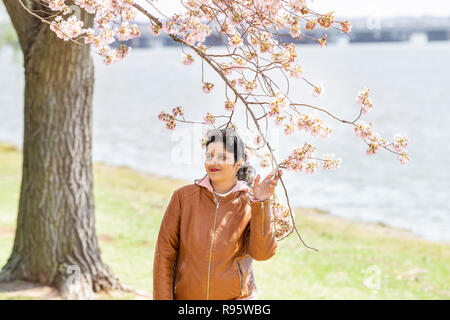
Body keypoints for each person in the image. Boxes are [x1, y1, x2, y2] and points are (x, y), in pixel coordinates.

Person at [153, 128, 282, 300]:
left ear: (238, 164)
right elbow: (164, 254)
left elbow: (262, 254)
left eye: (222, 157)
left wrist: (261, 204)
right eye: (210, 155)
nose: (214, 161)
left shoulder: (249, 203)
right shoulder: (183, 198)